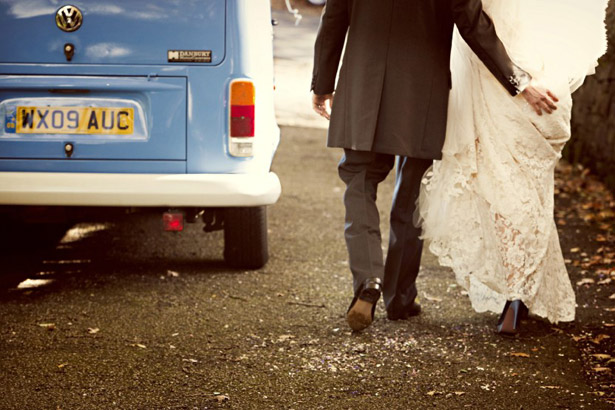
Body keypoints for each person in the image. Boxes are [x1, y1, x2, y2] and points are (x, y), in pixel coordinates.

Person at [311, 0, 557, 332]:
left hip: (362, 84)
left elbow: (334, 19)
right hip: (421, 91)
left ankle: (368, 279)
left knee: (359, 180)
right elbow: (472, 24)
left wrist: (322, 84)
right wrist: (518, 80)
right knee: (412, 191)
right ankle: (399, 298)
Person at [416, 0, 609, 333]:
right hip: (524, 66)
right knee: (525, 182)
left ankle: (518, 293)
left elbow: (468, 16)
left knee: (506, 180)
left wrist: (523, 81)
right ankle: (520, 293)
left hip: (512, 69)